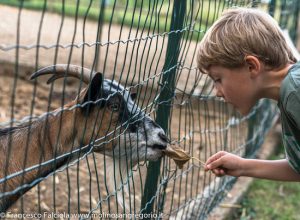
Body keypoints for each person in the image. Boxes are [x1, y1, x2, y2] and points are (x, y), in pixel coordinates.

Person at [197, 7, 300, 181]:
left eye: (218, 79)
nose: (217, 93)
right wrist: (242, 166)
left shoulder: (295, 91)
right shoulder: (289, 94)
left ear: (251, 66)